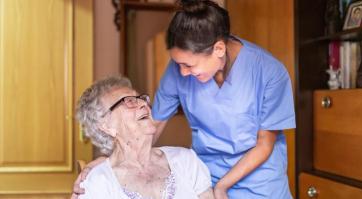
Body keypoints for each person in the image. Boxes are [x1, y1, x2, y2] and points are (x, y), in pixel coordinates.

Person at [73, 0, 295, 198]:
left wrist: (223, 187)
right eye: (178, 63)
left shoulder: (269, 72)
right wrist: (111, 162)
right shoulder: (178, 70)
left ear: (218, 49)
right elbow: (153, 123)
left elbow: (265, 144)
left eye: (189, 65)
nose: (182, 73)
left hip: (260, 184)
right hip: (205, 176)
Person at [74, 76, 214, 199]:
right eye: (129, 101)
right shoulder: (98, 183)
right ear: (106, 126)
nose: (143, 104)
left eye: (141, 98)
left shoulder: (185, 161)